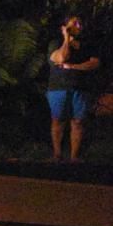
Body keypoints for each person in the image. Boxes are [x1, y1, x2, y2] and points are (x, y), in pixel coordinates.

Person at [47, 15, 100, 162]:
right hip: (59, 88)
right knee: (58, 120)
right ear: (64, 27)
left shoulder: (87, 45)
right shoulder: (56, 43)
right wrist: (66, 39)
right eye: (74, 24)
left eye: (80, 23)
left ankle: (74, 157)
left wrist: (73, 67)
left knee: (78, 121)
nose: (78, 26)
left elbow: (94, 63)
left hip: (81, 88)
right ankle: (57, 155)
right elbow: (62, 58)